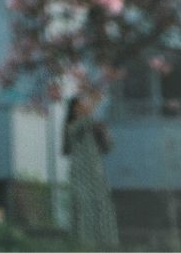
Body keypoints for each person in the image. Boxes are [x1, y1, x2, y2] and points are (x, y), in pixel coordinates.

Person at [63, 90, 120, 250]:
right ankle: (85, 244)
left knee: (103, 206)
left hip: (96, 173)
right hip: (81, 173)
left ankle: (107, 244)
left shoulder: (92, 127)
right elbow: (84, 122)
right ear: (74, 109)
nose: (85, 108)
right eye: (81, 106)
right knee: (85, 207)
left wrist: (105, 133)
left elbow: (108, 147)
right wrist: (95, 103)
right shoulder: (72, 126)